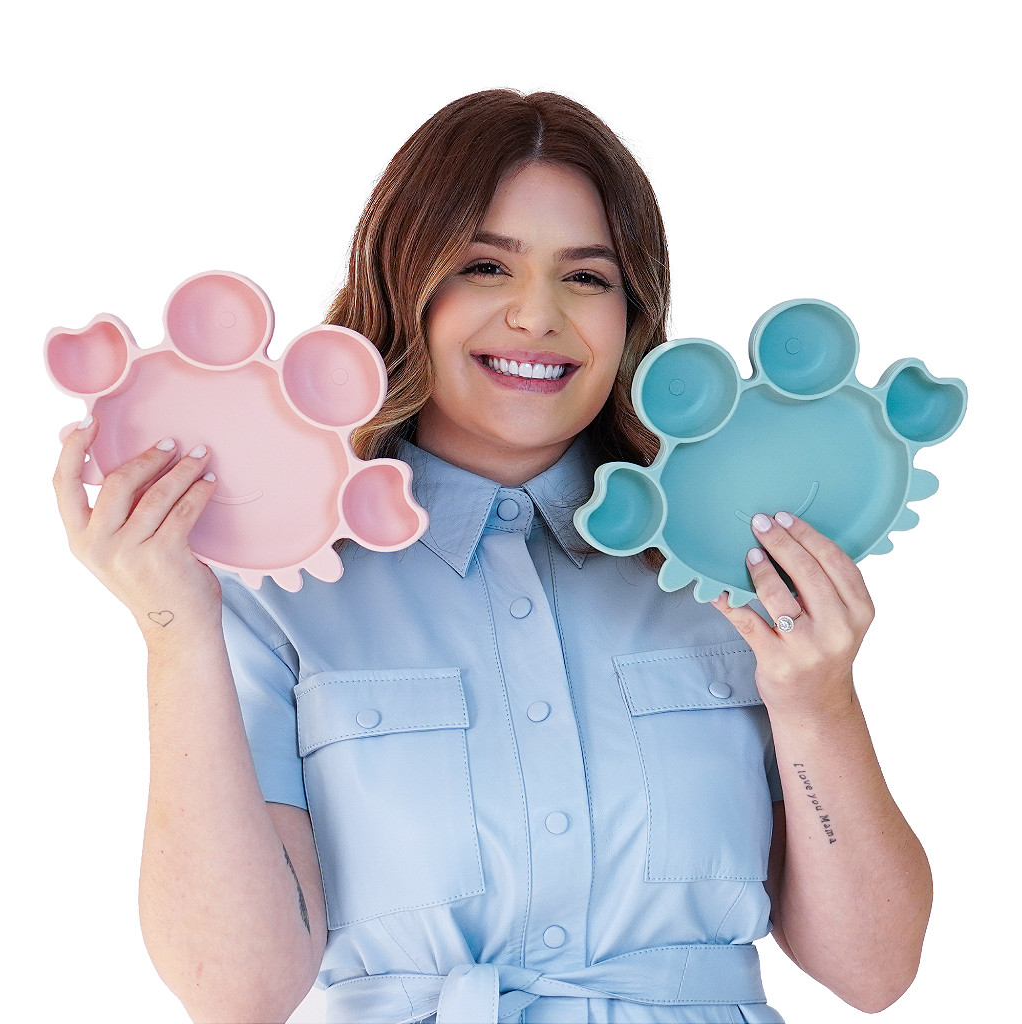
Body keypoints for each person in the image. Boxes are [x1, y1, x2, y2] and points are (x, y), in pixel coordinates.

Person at [52, 90, 932, 1023]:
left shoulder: (718, 568)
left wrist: (817, 699)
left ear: (632, 315)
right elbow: (236, 991)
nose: (536, 316)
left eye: (586, 277)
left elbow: (873, 971)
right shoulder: (278, 587)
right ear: (406, 287)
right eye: (484, 266)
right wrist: (173, 629)